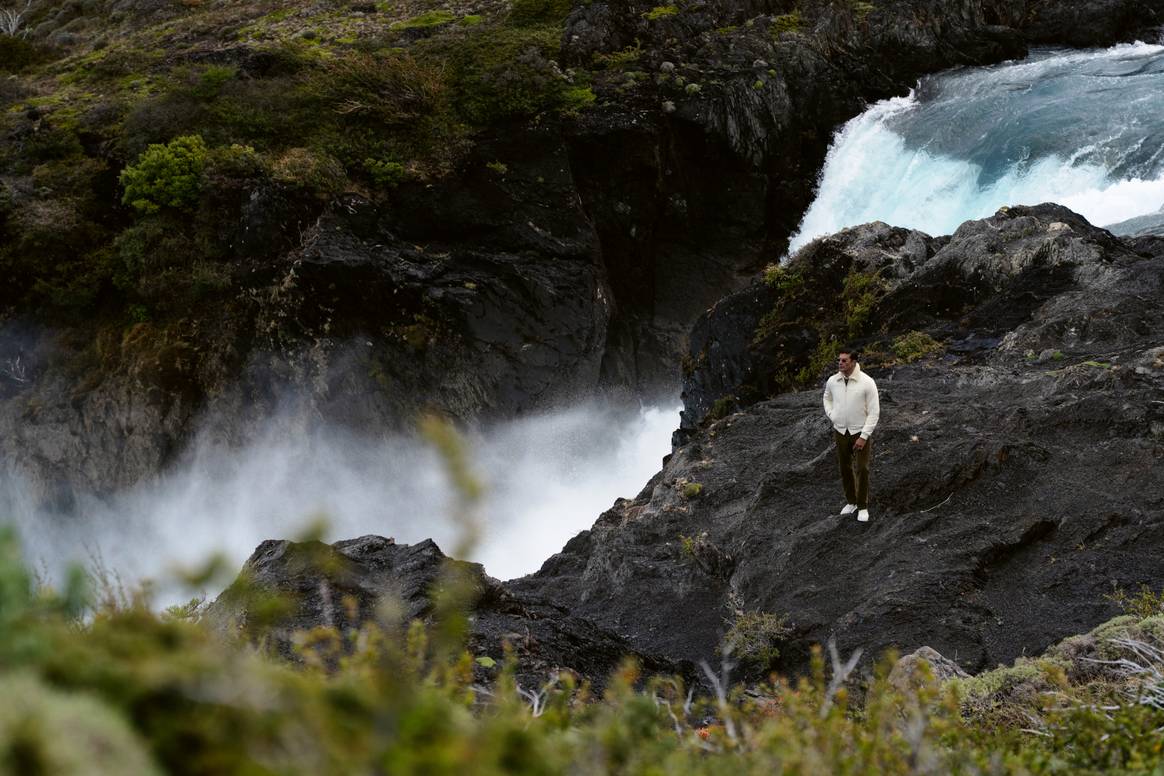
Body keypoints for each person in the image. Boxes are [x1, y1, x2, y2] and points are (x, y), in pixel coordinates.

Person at [822, 348, 880, 522]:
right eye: (839, 360)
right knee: (845, 467)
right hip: (840, 430)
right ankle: (851, 501)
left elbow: (874, 412)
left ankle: (862, 506)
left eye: (844, 360)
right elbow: (827, 397)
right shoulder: (833, 381)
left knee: (862, 468)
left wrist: (864, 436)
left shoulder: (867, 382)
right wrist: (832, 415)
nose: (840, 363)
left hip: (859, 431)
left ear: (853, 362)